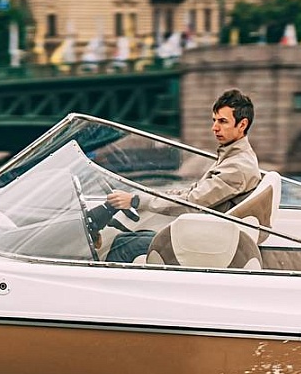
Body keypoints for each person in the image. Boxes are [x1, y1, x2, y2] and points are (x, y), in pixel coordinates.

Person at [91, 88, 261, 263]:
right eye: (214, 120)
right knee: (123, 239)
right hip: (207, 233)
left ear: (242, 125)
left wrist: (136, 201)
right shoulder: (232, 157)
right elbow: (193, 193)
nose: (214, 128)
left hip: (206, 241)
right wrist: (144, 196)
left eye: (223, 121)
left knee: (123, 249)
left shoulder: (236, 167)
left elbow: (191, 203)